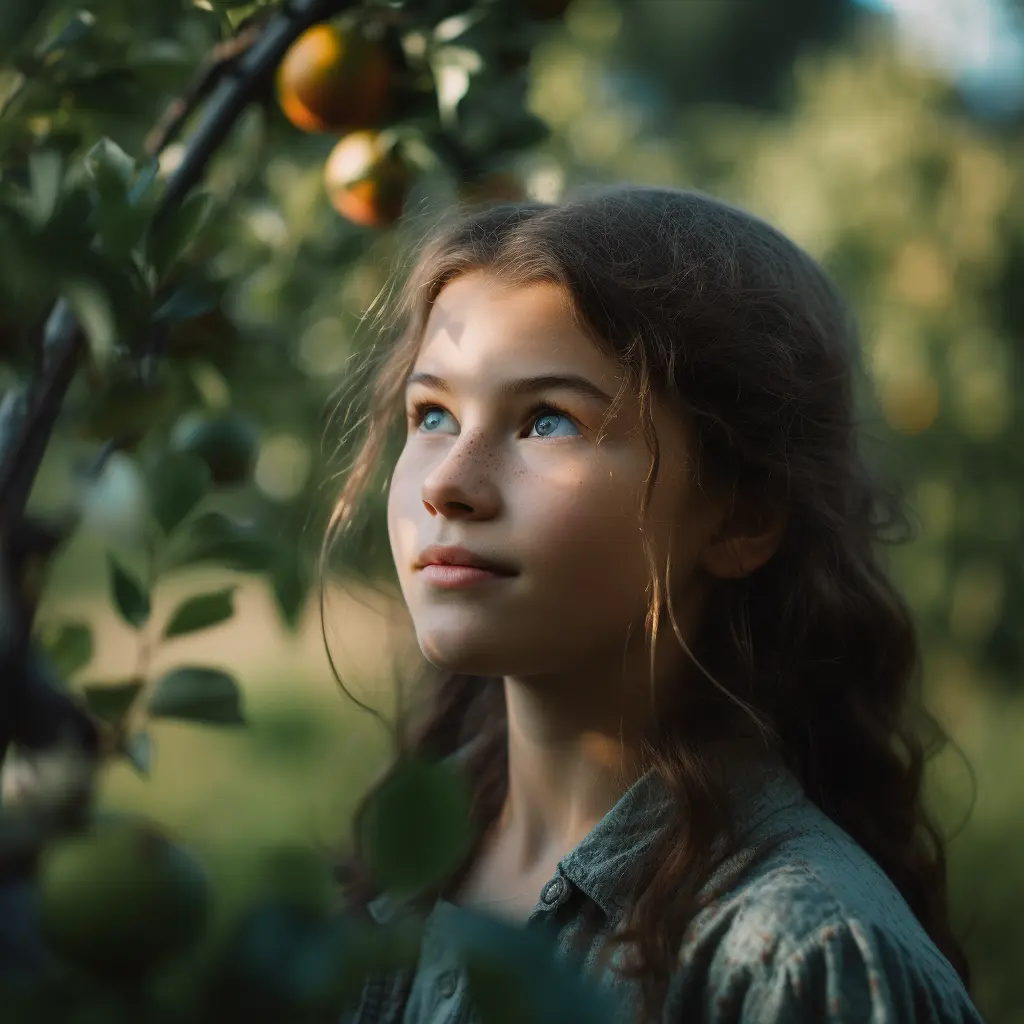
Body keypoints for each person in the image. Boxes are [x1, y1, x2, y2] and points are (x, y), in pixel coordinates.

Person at [324, 186, 984, 1023]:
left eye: (549, 422)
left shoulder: (800, 958)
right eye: (433, 414)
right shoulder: (406, 864)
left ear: (742, 514)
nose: (448, 483)